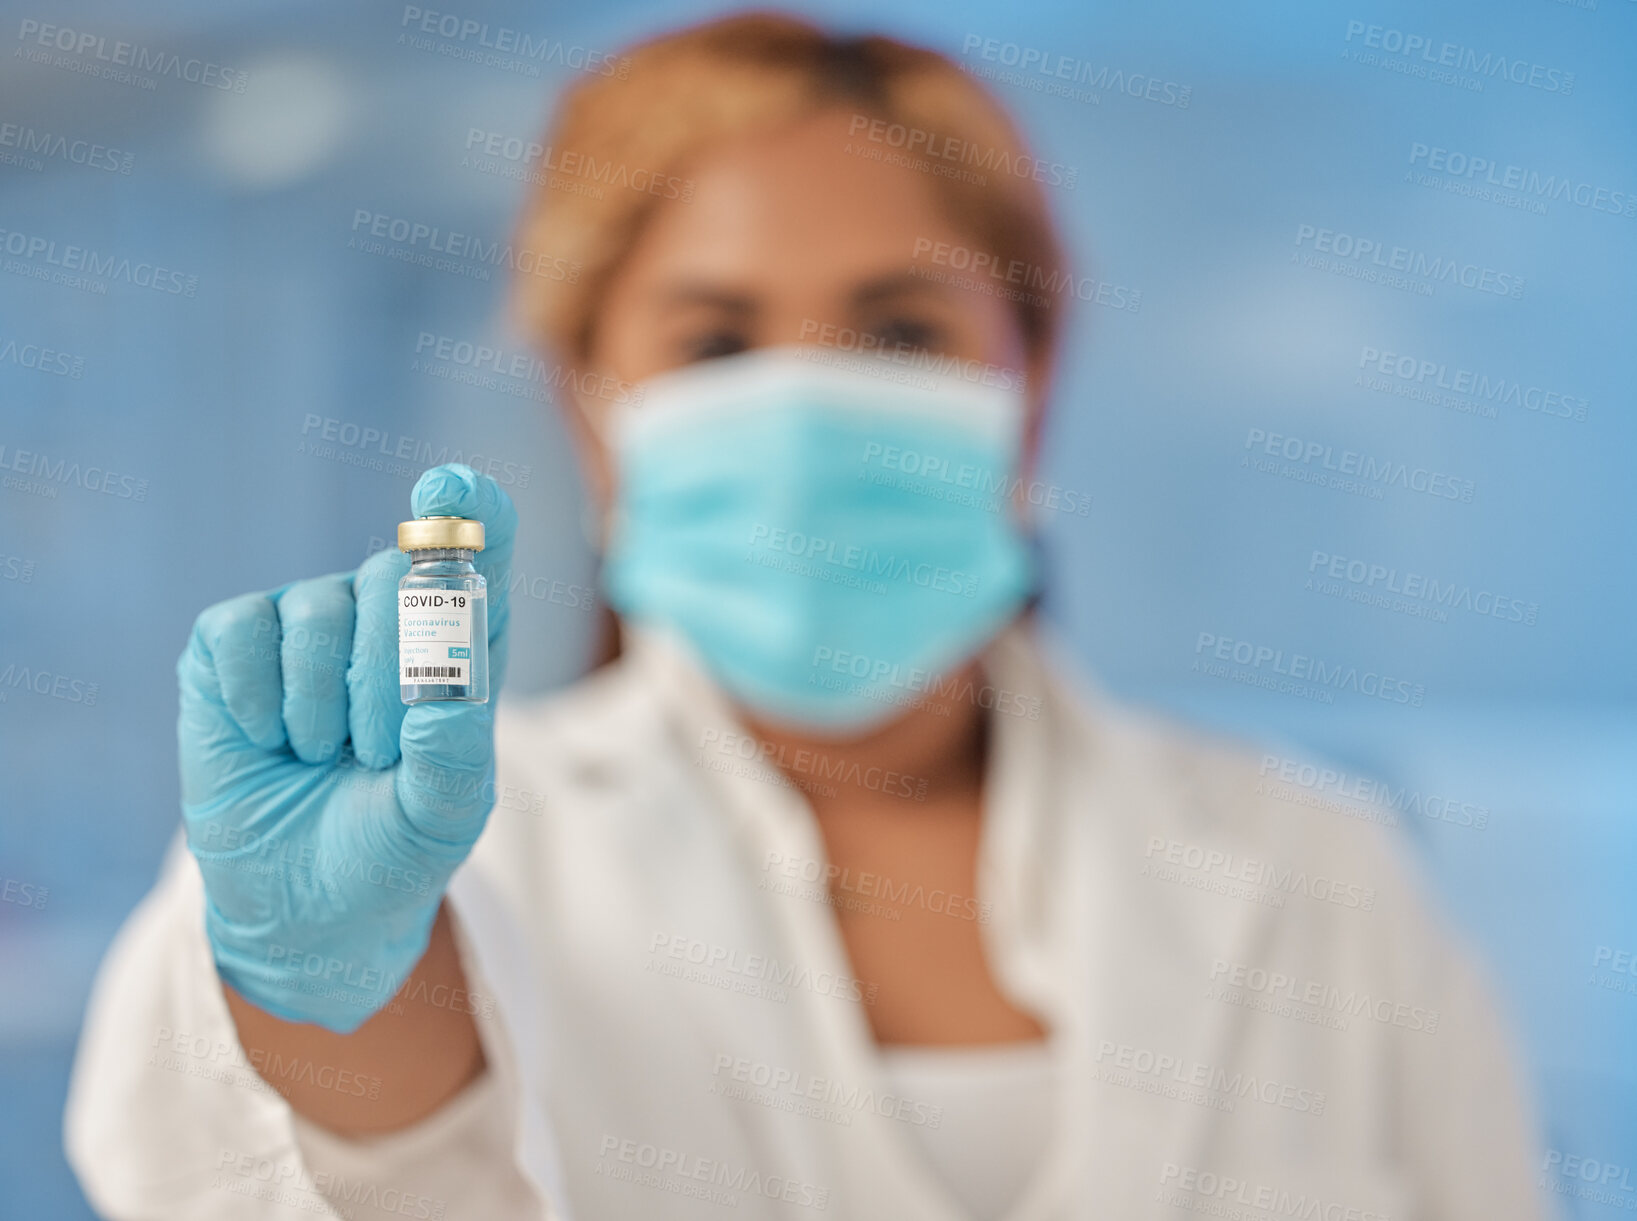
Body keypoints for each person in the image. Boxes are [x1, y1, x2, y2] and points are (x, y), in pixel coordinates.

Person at [64, 13, 1549, 1221]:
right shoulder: (456, 850)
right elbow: (249, 1176)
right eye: (713, 339)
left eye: (902, 328)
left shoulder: (1316, 873)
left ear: (1026, 384)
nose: (806, 399)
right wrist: (332, 1001)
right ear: (593, 414)